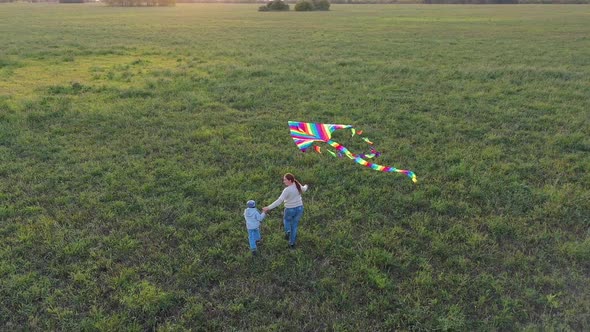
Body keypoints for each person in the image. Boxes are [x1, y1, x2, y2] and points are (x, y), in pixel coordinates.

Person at [263, 173, 308, 249]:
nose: (283, 181)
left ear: (290, 180)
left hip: (290, 209)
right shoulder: (298, 185)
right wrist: (306, 185)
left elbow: (279, 201)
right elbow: (304, 189)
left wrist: (268, 207)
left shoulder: (287, 190)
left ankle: (288, 231)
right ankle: (292, 243)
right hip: (299, 208)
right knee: (294, 225)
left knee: (286, 220)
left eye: (285, 180)